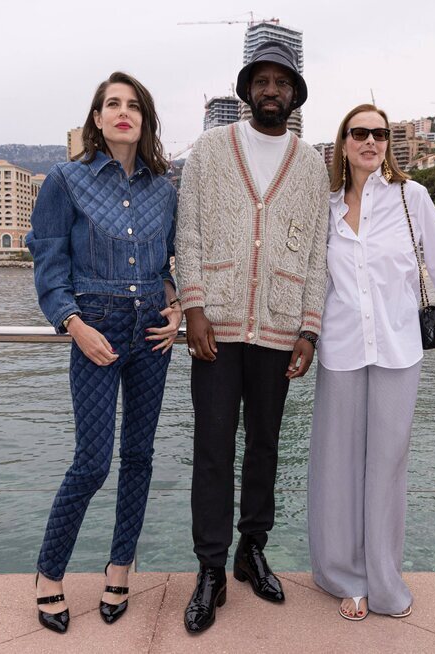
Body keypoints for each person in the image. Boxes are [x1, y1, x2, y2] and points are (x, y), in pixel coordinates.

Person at [308, 104, 435, 622]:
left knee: (386, 466)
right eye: (360, 133)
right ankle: (343, 575)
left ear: (388, 143)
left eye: (380, 134)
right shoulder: (325, 209)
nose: (371, 141)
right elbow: (311, 282)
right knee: (338, 467)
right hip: (341, 349)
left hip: (397, 347)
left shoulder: (412, 198)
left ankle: (385, 580)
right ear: (343, 143)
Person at [175, 41, 329, 634]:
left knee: (265, 445)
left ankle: (251, 550)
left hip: (280, 326)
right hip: (215, 324)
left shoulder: (311, 164)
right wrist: (193, 308)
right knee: (213, 448)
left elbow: (317, 254)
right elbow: (188, 232)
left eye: (281, 82)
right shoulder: (211, 150)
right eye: (262, 81)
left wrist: (309, 330)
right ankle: (209, 567)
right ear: (247, 92)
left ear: (293, 95)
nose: (271, 90)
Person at [27, 72, 180, 634]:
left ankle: (121, 566)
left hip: (152, 335)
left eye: (133, 105)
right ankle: (49, 576)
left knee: (139, 457)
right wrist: (72, 323)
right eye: (111, 104)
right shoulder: (66, 181)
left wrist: (179, 308)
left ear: (145, 119)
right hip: (96, 330)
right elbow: (47, 261)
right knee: (92, 462)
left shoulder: (165, 188)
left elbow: (172, 261)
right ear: (96, 118)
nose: (123, 112)